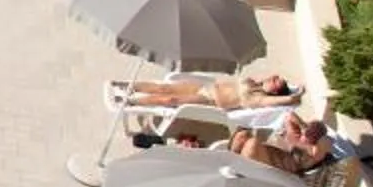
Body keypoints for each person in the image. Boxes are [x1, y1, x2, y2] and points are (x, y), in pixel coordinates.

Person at [120, 73, 297, 111]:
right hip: (205, 86)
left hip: (208, 99)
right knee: (165, 87)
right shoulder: (253, 82)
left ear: (275, 91)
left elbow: (282, 101)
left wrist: (294, 96)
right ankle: (126, 86)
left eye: (276, 81)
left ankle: (131, 102)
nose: (273, 77)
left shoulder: (258, 99)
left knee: (170, 99)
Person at [234, 115, 336, 175]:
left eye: (313, 135)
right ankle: (235, 161)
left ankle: (240, 169)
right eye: (309, 129)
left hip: (272, 165)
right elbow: (289, 116)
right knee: (242, 136)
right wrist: (302, 125)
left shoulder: (313, 153)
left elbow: (326, 142)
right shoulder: (296, 134)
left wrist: (304, 141)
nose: (307, 135)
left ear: (316, 140)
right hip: (265, 151)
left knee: (252, 145)